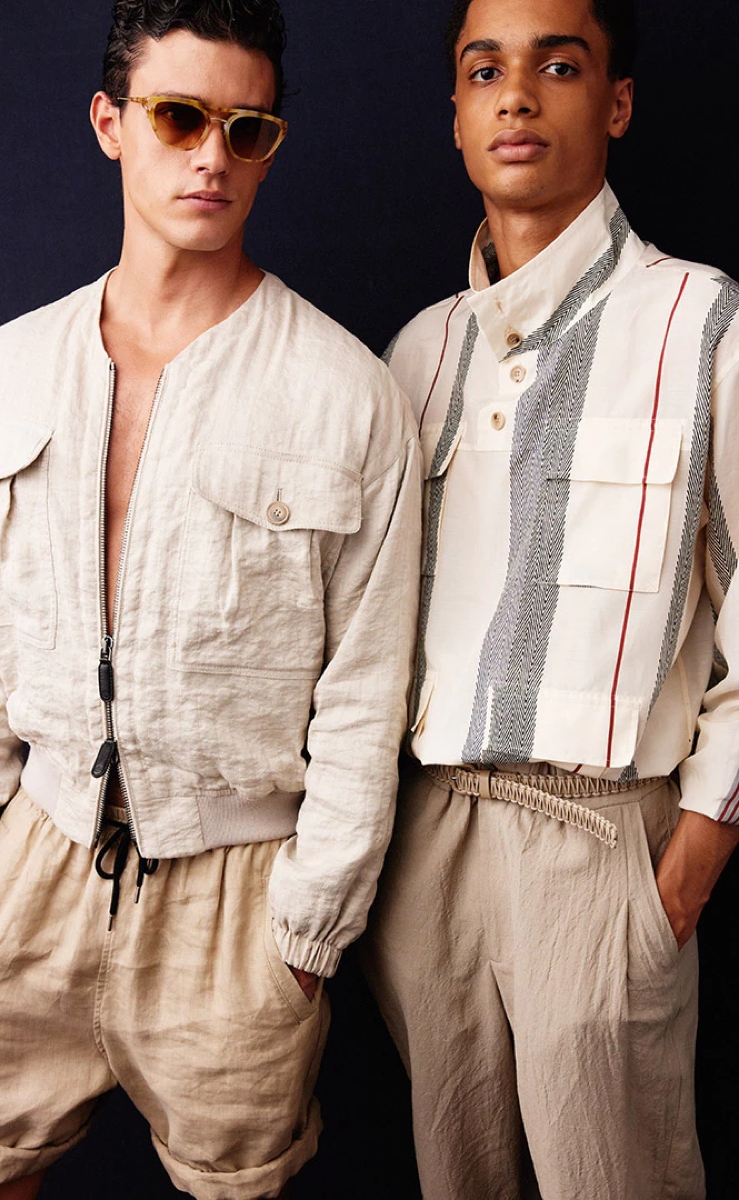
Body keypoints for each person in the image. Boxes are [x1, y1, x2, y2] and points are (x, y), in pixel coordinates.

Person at [0, 2, 420, 1197]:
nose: (210, 155)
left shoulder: (345, 393)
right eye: (178, 116)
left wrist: (304, 938)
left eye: (245, 129)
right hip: (23, 867)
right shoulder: (9, 363)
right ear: (112, 123)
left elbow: (367, 686)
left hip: (235, 900)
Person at [363, 0, 739, 1197]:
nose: (516, 94)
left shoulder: (701, 323)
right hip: (426, 851)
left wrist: (696, 843)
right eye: (485, 70)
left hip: (605, 846)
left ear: (614, 102)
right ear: (458, 115)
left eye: (557, 64)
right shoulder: (413, 356)